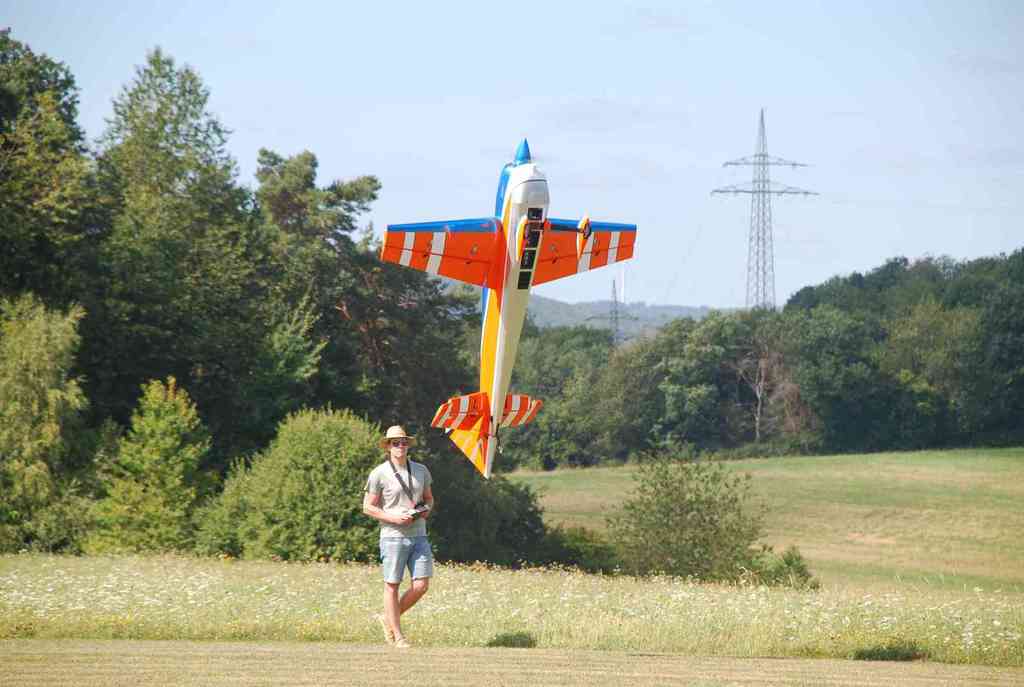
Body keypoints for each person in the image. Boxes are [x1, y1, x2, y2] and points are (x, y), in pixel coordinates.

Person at [362, 425, 434, 649]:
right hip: (392, 536)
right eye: (395, 443)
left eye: (404, 442)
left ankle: (388, 620)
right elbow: (368, 507)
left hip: (419, 534)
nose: (400, 446)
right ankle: (399, 636)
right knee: (392, 585)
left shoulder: (421, 470)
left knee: (421, 585)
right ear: (388, 447)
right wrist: (394, 518)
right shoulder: (379, 473)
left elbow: (429, 498)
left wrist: (425, 510)